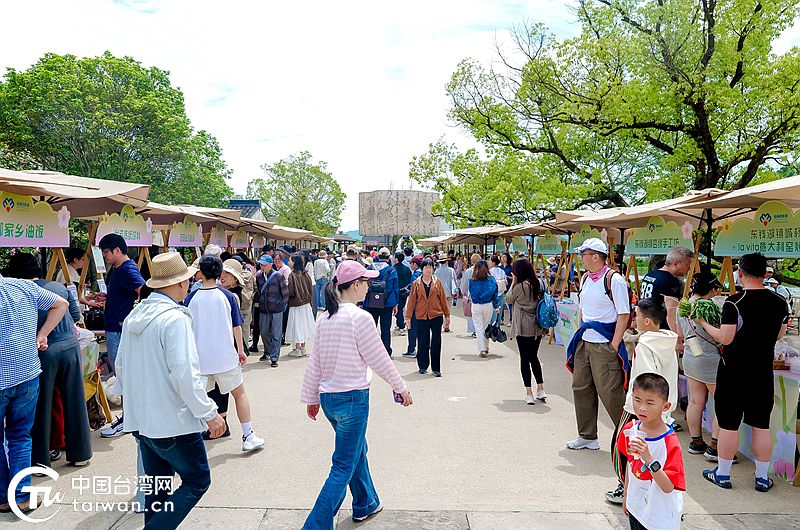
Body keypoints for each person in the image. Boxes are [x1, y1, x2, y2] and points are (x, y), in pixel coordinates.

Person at [115, 252, 227, 528]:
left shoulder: (134, 315)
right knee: (197, 480)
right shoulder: (175, 318)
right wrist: (209, 412)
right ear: (180, 283)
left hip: (141, 420)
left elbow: (121, 366)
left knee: (157, 488)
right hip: (172, 421)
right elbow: (184, 373)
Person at [300, 260, 412, 528]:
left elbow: (315, 362)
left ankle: (366, 503)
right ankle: (315, 525)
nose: (369, 287)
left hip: (329, 399)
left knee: (356, 451)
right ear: (356, 285)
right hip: (352, 398)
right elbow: (379, 358)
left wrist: (312, 398)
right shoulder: (360, 318)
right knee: (343, 465)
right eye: (366, 282)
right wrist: (400, 387)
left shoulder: (325, 318)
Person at [699, 252, 788, 492]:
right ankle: (762, 478)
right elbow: (780, 335)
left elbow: (725, 338)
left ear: (740, 273)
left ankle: (723, 474)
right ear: (765, 273)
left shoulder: (734, 302)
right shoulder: (780, 302)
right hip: (762, 373)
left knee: (729, 424)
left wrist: (704, 324)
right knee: (761, 425)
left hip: (733, 372)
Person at [7, 254, 92, 469]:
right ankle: (81, 453)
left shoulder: (18, 291)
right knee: (75, 400)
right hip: (70, 347)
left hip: (43, 351)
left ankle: (41, 460)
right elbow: (75, 316)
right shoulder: (59, 286)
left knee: (41, 406)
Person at [0, 270, 68, 513]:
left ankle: (3, 496)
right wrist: (42, 334)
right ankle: (22, 495)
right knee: (20, 436)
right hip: (26, 373)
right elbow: (62, 304)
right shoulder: (23, 286)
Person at [184, 255, 265, 452]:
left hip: (200, 360)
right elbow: (237, 327)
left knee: (198, 399)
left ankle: (195, 439)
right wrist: (240, 351)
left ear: (200, 272)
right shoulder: (228, 296)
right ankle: (248, 435)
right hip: (225, 357)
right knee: (240, 394)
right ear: (219, 272)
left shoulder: (190, 298)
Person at [606, 298, 678, 505]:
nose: (634, 319)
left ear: (647, 321)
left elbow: (648, 380)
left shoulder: (645, 345)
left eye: (636, 315)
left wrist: (639, 406)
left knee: (622, 445)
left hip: (640, 408)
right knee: (655, 451)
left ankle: (624, 487)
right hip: (662, 408)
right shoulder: (667, 342)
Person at [565, 238, 631, 451]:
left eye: (583, 254)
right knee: (581, 387)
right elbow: (583, 310)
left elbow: (624, 314)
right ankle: (587, 436)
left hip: (604, 344)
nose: (581, 258)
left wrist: (614, 344)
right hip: (585, 341)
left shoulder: (614, 280)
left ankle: (630, 437)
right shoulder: (586, 278)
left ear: (595, 256)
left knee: (611, 392)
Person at [618, 373, 685, 530]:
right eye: (637, 400)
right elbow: (630, 464)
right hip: (636, 508)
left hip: (660, 517)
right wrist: (626, 496)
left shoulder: (670, 442)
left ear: (665, 407)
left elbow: (668, 487)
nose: (642, 407)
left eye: (650, 402)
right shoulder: (630, 430)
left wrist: (648, 458)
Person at [677, 273, 725, 461]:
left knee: (696, 401)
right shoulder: (709, 307)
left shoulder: (682, 306)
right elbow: (720, 333)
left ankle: (696, 442)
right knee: (722, 403)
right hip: (710, 358)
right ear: (711, 290)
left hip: (691, 356)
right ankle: (715, 446)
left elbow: (680, 333)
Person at [98, 233, 145, 376]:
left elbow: (144, 291)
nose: (104, 255)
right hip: (115, 325)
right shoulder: (118, 268)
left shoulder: (127, 269)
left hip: (118, 327)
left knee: (120, 370)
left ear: (117, 250)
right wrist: (108, 296)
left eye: (106, 252)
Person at [506, 258, 547, 405]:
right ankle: (541, 389)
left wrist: (513, 282)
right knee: (534, 357)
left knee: (524, 359)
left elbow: (508, 299)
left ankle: (529, 393)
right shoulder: (538, 283)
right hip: (537, 326)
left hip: (522, 327)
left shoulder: (520, 287)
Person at [406, 258, 451, 377]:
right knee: (422, 341)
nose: (428, 270)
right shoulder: (416, 283)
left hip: (436, 315)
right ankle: (422, 365)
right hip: (421, 316)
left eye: (430, 267)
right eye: (426, 267)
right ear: (422, 269)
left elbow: (443, 300)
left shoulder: (437, 282)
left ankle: (436, 368)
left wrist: (447, 315)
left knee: (436, 341)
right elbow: (411, 301)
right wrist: (408, 317)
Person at [639, 247, 693, 333]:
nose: (689, 268)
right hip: (661, 329)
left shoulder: (650, 274)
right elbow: (671, 312)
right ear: (675, 264)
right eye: (687, 264)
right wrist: (678, 335)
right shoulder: (670, 281)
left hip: (645, 322)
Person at [363, 247, 399, 356]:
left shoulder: (369, 269)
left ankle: (369, 352)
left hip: (370, 303)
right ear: (388, 258)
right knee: (385, 329)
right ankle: (386, 351)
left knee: (370, 329)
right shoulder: (392, 270)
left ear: (378, 257)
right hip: (387, 304)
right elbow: (395, 289)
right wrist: (395, 304)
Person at [257, 254, 289, 367]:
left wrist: (282, 304)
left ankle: (274, 357)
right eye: (261, 264)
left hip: (277, 309)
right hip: (263, 309)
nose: (262, 266)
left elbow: (285, 293)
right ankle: (268, 351)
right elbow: (259, 291)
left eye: (264, 264)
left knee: (276, 333)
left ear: (270, 264)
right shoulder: (259, 276)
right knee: (264, 331)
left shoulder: (278, 276)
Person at [469, 260, 501, 358]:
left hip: (476, 305)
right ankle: (486, 347)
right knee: (486, 326)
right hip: (488, 305)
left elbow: (471, 293)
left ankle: (482, 349)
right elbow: (495, 295)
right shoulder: (491, 280)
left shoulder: (472, 280)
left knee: (479, 328)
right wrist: (496, 306)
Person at [223, 257, 256, 348]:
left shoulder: (230, 292)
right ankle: (245, 347)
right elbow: (256, 288)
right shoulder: (249, 276)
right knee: (245, 329)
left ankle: (241, 348)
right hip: (247, 305)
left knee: (237, 327)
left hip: (239, 307)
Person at [287, 253, 315, 356]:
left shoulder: (292, 275)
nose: (289, 262)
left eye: (290, 260)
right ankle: (303, 348)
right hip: (306, 303)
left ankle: (297, 348)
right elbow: (311, 289)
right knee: (304, 325)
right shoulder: (306, 274)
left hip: (295, 303)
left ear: (294, 262)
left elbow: (290, 291)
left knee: (296, 325)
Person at [460, 253, 481, 336]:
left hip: (472, 295)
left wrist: (464, 292)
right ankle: (480, 330)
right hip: (483, 295)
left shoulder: (469, 271)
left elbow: (464, 284)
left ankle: (474, 330)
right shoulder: (484, 270)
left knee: (472, 313)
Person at [434, 258, 456, 332]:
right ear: (446, 262)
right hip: (449, 292)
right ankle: (446, 325)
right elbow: (455, 281)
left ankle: (442, 324)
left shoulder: (437, 271)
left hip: (439, 293)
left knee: (440, 310)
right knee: (448, 309)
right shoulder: (451, 270)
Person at [394, 251, 412, 336]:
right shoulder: (407, 269)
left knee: (398, 308)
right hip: (405, 291)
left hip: (396, 291)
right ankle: (399, 323)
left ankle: (401, 325)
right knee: (401, 307)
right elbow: (409, 279)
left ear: (396, 259)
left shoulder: (393, 269)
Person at [488, 255, 508, 326]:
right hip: (501, 293)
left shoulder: (490, 272)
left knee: (493, 311)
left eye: (490, 260)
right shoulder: (502, 271)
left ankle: (492, 326)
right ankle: (497, 326)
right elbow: (506, 282)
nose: (488, 262)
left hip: (493, 294)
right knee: (500, 310)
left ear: (493, 263)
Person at [314, 250, 331, 316]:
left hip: (317, 278)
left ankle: (318, 305)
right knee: (323, 292)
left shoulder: (316, 261)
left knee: (317, 292)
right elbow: (327, 270)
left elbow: (314, 269)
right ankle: (323, 305)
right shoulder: (325, 261)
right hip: (324, 277)